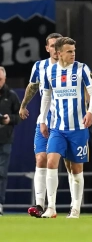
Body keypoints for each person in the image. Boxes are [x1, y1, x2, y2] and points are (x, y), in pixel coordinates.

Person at [18, 33, 76, 218]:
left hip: (67, 123)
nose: (55, 49)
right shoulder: (40, 66)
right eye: (51, 46)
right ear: (48, 48)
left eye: (57, 46)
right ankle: (40, 205)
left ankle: (74, 206)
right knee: (41, 159)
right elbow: (33, 86)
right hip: (44, 122)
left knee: (70, 165)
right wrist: (23, 105)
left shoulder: (73, 67)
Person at [39, 37, 92, 218]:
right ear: (58, 53)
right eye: (69, 51)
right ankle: (51, 207)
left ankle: (75, 208)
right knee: (51, 162)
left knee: (76, 169)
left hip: (78, 128)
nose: (73, 54)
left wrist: (90, 112)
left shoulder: (82, 69)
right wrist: (42, 119)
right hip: (57, 127)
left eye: (74, 50)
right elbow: (46, 97)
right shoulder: (50, 71)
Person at [0, 66, 21, 216]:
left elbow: (19, 116)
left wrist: (10, 119)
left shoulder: (11, 95)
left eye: (0, 79)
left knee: (1, 173)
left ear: (4, 79)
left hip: (5, 140)